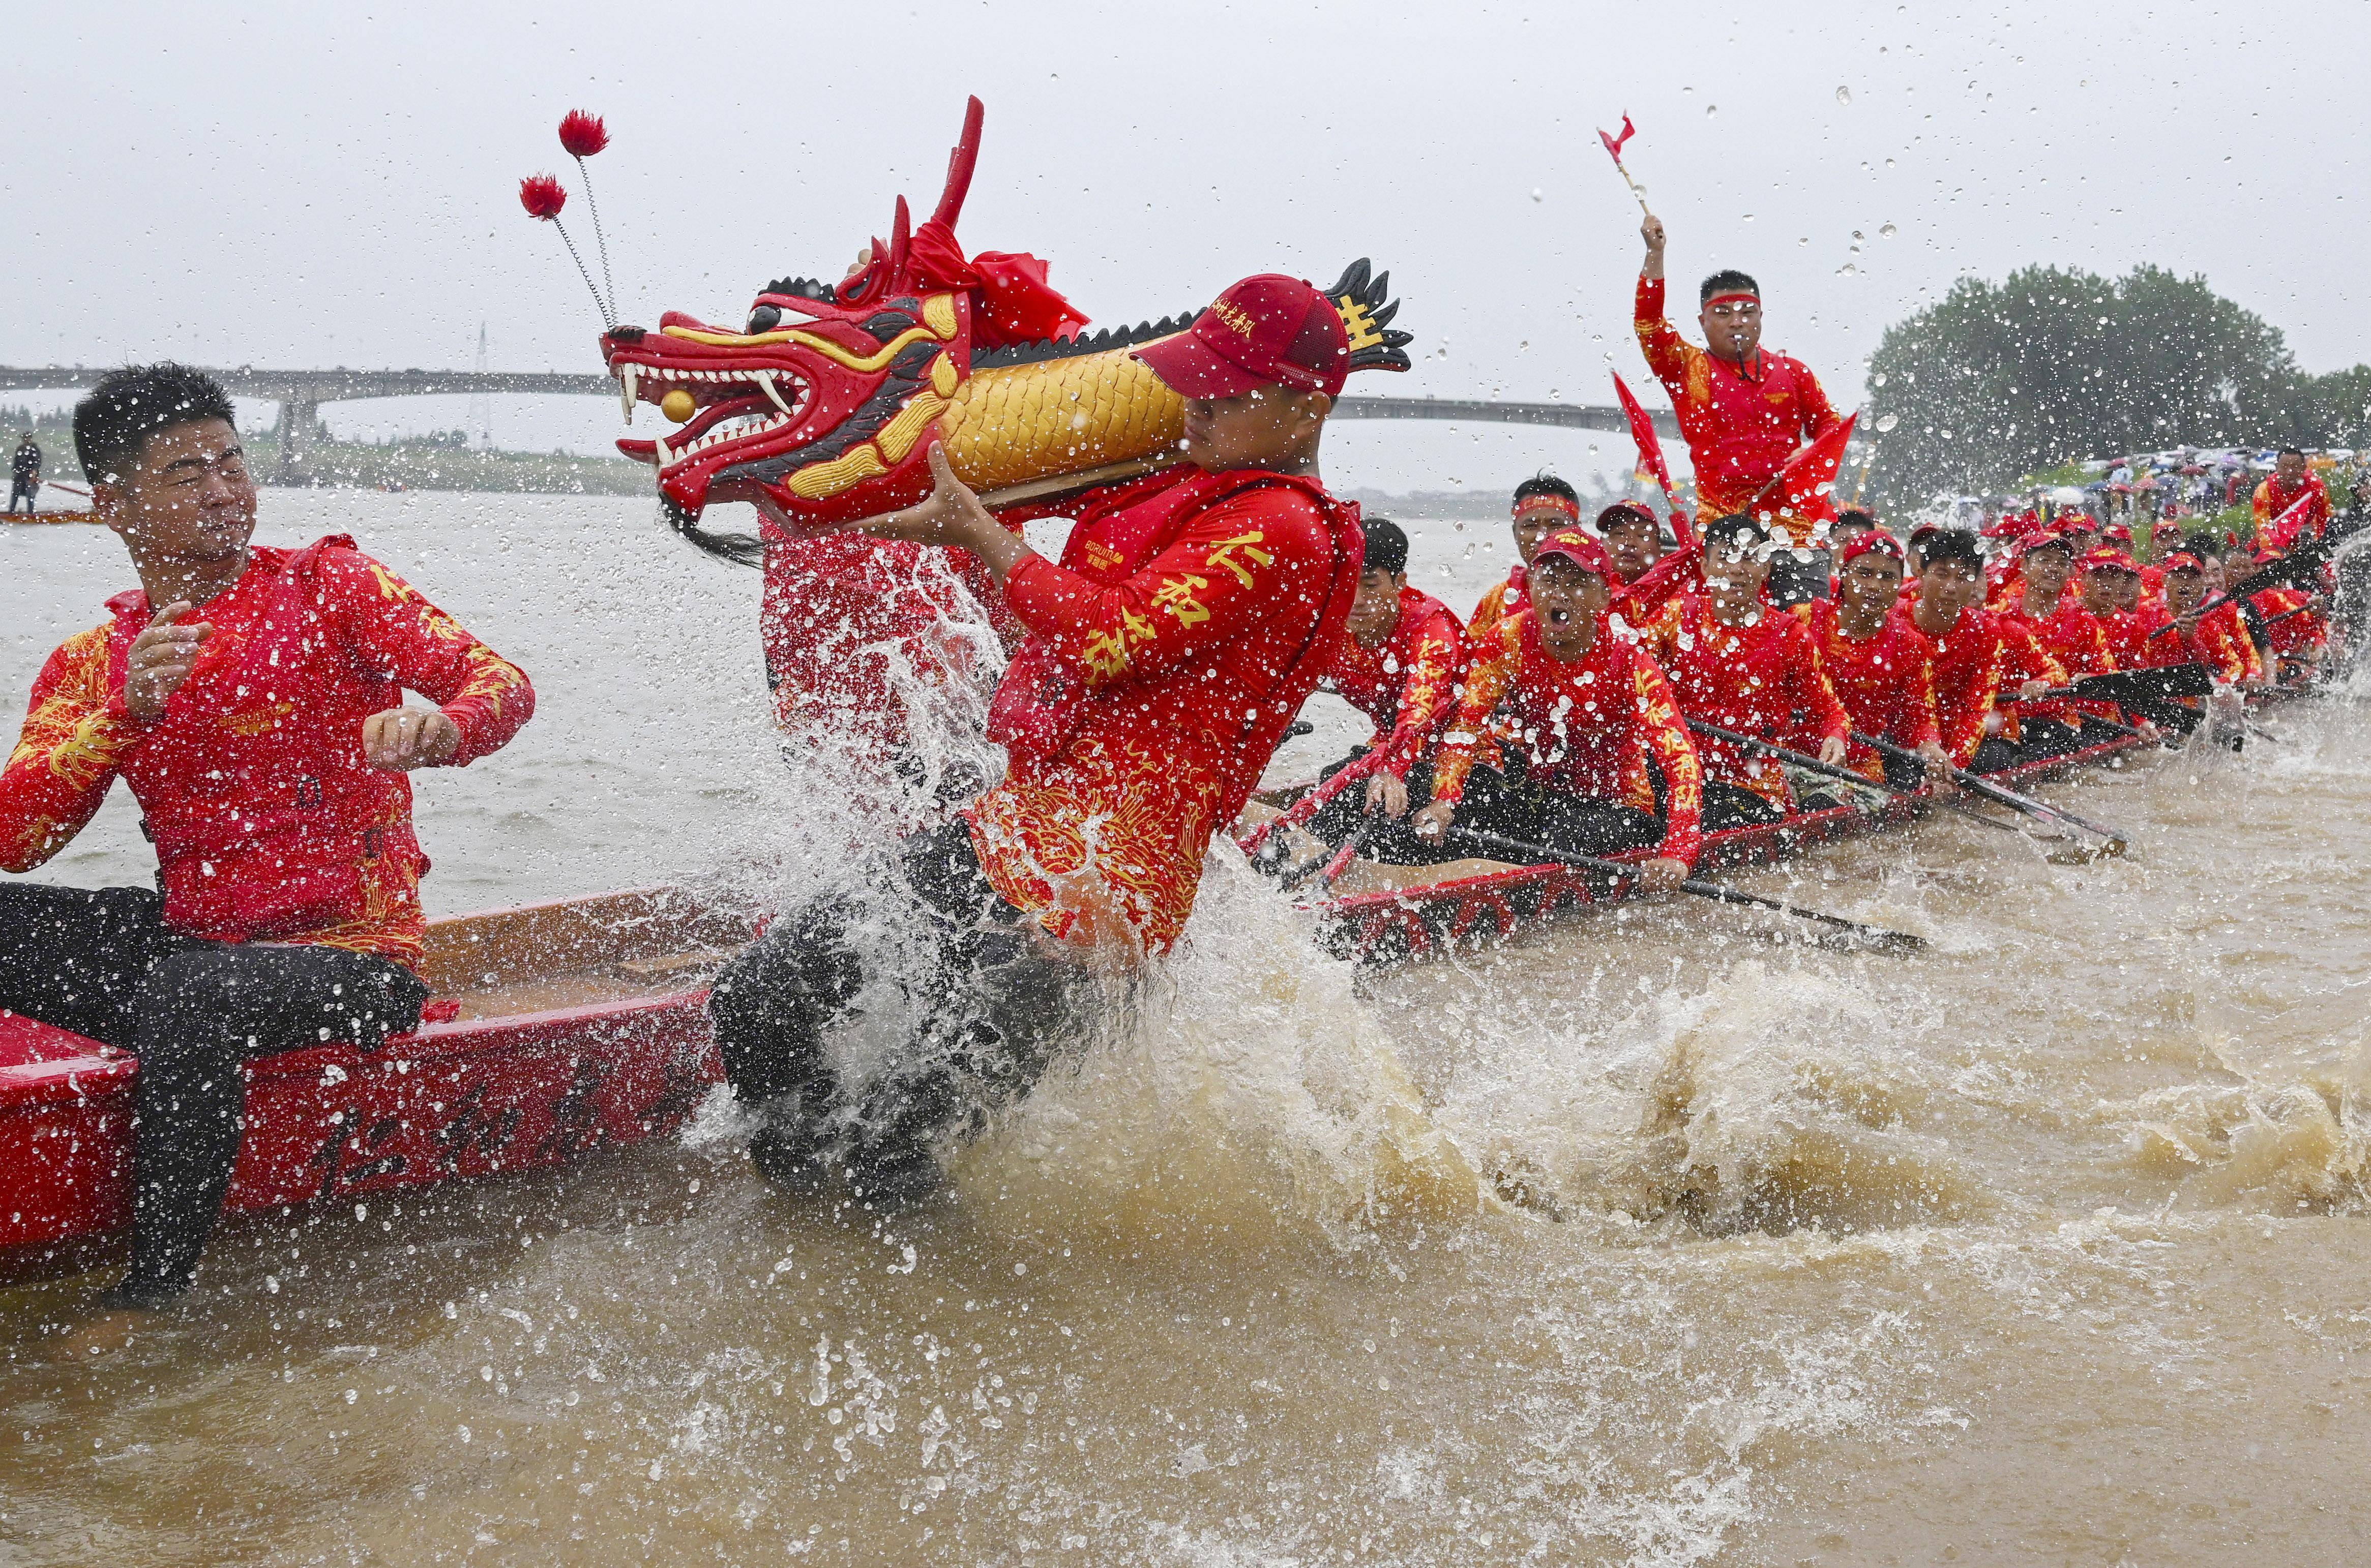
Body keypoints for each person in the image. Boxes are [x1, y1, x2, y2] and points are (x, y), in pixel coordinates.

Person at [707, 273, 1366, 1206]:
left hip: (1107, 893)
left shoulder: (1281, 525)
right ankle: (800, 1229)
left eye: (1223, 391)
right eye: (1193, 382)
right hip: (1017, 828)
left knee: (896, 1148)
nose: (1195, 407)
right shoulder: (1188, 481)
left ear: (1305, 406)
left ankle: (926, 1316)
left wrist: (979, 533)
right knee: (755, 997)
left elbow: (1106, 635)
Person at [0, 364, 535, 1329]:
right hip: (198, 946)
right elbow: (17, 837)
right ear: (115, 504)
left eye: (231, 462)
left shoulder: (331, 586)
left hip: (355, 958)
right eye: (186, 472)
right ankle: (149, 1086)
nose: (222, 490)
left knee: (188, 996)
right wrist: (123, 717)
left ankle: (154, 1291)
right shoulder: (94, 659)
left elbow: (498, 679)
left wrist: (447, 728)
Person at [1409, 527, 1699, 882]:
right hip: (1543, 794)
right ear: (1531, 586)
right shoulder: (1508, 637)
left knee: (1558, 838)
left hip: (1618, 808)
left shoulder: (1629, 661)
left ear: (1604, 596)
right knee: (1445, 799)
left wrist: (1678, 853)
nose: (1559, 595)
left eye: (1576, 583)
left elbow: (1681, 757)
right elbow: (1466, 729)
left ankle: (1501, 876)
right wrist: (1443, 801)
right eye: (1548, 581)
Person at [1634, 213, 1848, 552]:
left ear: (1761, 317)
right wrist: (1655, 254)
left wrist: (1811, 453)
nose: (1737, 322)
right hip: (1721, 531)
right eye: (1723, 314)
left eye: (1747, 312)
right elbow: (1648, 325)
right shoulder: (1687, 369)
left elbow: (1829, 425)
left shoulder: (1794, 372)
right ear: (1702, 321)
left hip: (1794, 534)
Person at [1632, 513, 1851, 829]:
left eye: (1748, 558)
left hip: (1753, 787)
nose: (1736, 569)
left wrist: (1836, 735)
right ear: (1706, 569)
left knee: (1708, 813)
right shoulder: (1675, 619)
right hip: (1681, 774)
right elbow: (1628, 679)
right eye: (1725, 557)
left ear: (1765, 568)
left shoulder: (1791, 635)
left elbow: (1829, 710)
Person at [1290, 517, 1467, 857]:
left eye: (1370, 585)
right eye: (1347, 583)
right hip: (1388, 748)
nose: (1355, 600)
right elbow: (1285, 683)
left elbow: (1420, 708)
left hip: (1455, 756)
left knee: (1373, 806)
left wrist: (1393, 769)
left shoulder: (1431, 631)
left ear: (1400, 582)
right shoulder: (1331, 621)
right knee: (1335, 780)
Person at [1894, 527, 2065, 772]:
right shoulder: (1896, 621)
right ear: (1920, 572)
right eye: (1942, 575)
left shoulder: (1990, 630)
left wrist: (1953, 767)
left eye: (1963, 578)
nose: (1951, 587)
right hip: (1918, 741)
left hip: (1984, 739)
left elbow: (1978, 709)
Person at [1795, 531, 1953, 790]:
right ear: (1843, 576)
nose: (1875, 586)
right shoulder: (1805, 620)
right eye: (1864, 573)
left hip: (1857, 766)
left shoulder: (1910, 644)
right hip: (1790, 754)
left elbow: (1919, 716)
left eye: (1888, 577)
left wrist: (1932, 747)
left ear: (1901, 584)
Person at [1990, 531, 2114, 753]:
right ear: (2025, 566)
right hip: (2005, 726)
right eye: (2045, 560)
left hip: (2059, 726)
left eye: (2062, 563)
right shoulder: (2000, 616)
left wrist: (2088, 680)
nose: (2054, 568)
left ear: (2070, 572)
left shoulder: (2082, 619)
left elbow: (2112, 680)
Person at [1469, 474, 1577, 641]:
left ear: (1578, 532)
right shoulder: (1497, 601)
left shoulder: (1603, 596)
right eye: (1530, 526)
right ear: (1515, 534)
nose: (1542, 536)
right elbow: (1471, 663)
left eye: (1555, 525)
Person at [1597, 499, 1697, 632]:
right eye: (1620, 534)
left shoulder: (1678, 595)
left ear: (1659, 549)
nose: (1629, 543)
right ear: (1601, 543)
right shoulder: (1586, 592)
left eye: (1642, 536)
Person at [2252, 447, 2330, 551]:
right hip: (2278, 542)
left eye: (2295, 467)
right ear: (2276, 468)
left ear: (2304, 468)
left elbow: (2325, 520)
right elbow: (2263, 529)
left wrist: (2320, 546)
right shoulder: (2264, 491)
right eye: (2284, 467)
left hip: (2307, 538)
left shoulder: (2316, 487)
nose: (2289, 472)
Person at [8, 431, 40, 514]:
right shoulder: (20, 449)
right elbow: (16, 462)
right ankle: (11, 512)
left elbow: (37, 463)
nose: (25, 440)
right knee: (15, 494)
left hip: (30, 477)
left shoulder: (35, 449)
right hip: (19, 476)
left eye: (26, 438)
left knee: (30, 495)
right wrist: (15, 472)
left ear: (30, 439)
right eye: (24, 438)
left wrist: (34, 474)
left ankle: (31, 514)